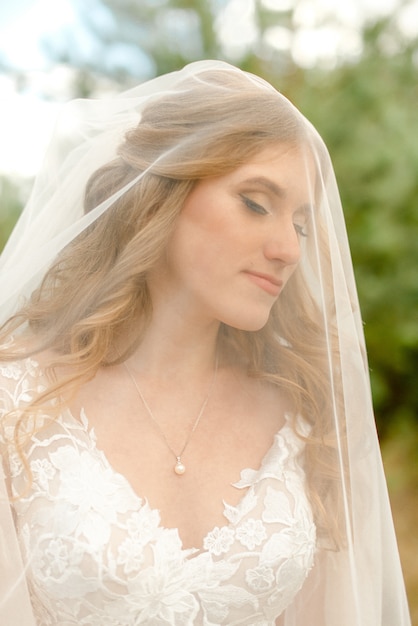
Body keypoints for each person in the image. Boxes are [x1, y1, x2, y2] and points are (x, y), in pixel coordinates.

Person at [0, 60, 411, 626]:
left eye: (300, 223)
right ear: (162, 195)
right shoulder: (18, 401)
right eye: (256, 202)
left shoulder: (308, 416)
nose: (289, 250)